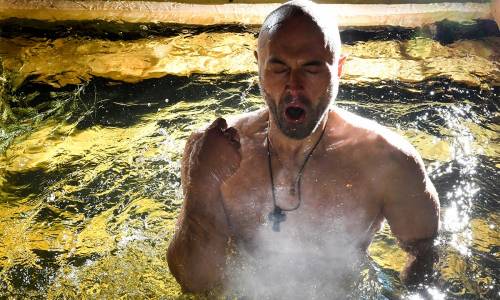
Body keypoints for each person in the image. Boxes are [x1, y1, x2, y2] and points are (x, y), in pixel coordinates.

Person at [167, 0, 440, 295]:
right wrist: (203, 183)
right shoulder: (212, 153)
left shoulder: (389, 161)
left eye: (311, 69)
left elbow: (425, 257)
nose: (293, 86)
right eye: (279, 68)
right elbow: (193, 282)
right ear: (258, 64)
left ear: (339, 68)